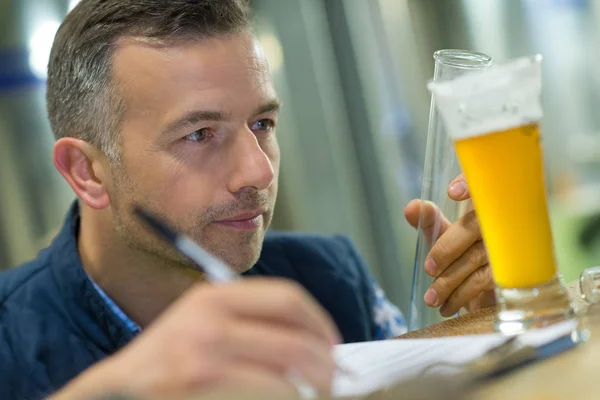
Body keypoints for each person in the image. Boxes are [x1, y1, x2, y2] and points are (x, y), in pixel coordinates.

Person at [0, 0, 495, 399]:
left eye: (262, 124)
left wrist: (489, 322)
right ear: (86, 172)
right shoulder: (10, 347)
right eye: (199, 134)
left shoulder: (332, 281)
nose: (258, 170)